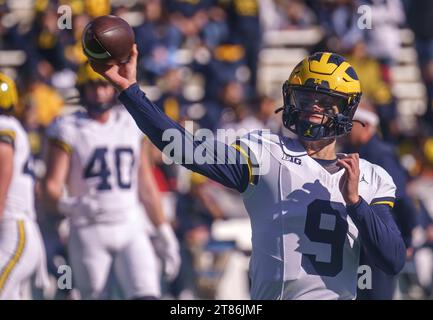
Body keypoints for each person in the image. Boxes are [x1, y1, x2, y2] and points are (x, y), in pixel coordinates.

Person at [91, 49, 406, 300]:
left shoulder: (370, 176)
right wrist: (131, 92)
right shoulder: (267, 154)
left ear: (346, 111)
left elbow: (391, 260)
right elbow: (182, 148)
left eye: (325, 102)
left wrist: (355, 203)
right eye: (305, 98)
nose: (312, 109)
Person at [43, 63, 180, 299]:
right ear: (81, 89)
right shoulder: (68, 128)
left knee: (147, 293)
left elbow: (146, 187)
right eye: (92, 87)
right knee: (94, 295)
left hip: (130, 223)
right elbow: (50, 187)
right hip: (89, 226)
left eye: (104, 86)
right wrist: (71, 206)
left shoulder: (130, 124)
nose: (99, 93)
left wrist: (163, 229)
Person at [344, 103, 418, 299]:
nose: (347, 127)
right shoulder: (353, 151)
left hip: (376, 244)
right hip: (360, 244)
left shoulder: (380, 156)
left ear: (367, 125)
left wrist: (406, 239)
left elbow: (403, 201)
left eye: (352, 123)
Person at [0, 72, 48, 299]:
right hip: (15, 229)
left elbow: (2, 177)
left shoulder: (4, 127)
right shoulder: (12, 126)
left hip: (13, 229)